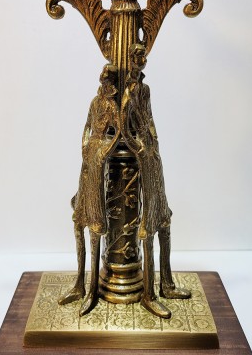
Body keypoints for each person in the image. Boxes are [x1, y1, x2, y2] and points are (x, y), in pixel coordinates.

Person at [121, 44, 191, 319]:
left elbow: (149, 119)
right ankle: (148, 295)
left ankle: (167, 284)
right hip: (143, 154)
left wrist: (152, 143)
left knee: (164, 219)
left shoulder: (145, 90)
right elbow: (124, 128)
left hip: (153, 155)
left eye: (143, 56)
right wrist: (138, 148)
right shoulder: (128, 93)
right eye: (137, 57)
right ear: (131, 60)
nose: (142, 60)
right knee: (148, 224)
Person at [58, 64, 120, 316]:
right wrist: (85, 147)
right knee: (78, 223)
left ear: (112, 83)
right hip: (88, 159)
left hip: (99, 160)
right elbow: (86, 127)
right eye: (103, 77)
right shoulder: (95, 102)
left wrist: (104, 151)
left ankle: (93, 289)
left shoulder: (112, 106)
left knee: (95, 228)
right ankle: (79, 284)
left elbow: (119, 132)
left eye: (108, 79)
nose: (104, 81)